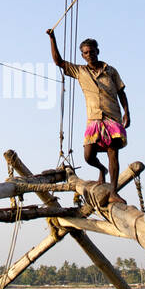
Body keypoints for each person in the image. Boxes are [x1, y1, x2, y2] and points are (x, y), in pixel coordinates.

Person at [46, 29, 130, 204]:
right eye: (86, 52)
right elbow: (58, 62)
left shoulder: (111, 71)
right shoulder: (80, 71)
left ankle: (114, 192)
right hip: (94, 119)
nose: (89, 54)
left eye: (92, 51)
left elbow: (121, 92)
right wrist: (52, 38)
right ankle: (102, 169)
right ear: (82, 55)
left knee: (112, 152)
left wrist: (127, 112)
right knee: (88, 156)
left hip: (112, 117)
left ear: (98, 51)